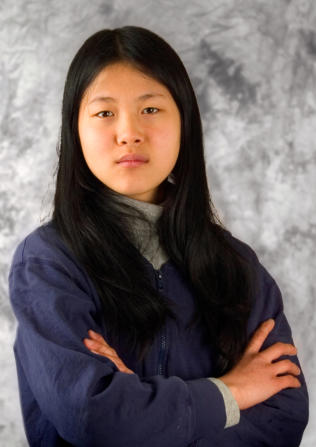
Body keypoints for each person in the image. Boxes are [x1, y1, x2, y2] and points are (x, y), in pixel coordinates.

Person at [8, 26, 308, 447]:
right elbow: (93, 417)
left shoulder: (237, 266)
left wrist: (141, 411)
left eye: (150, 109)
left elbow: (283, 419)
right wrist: (232, 392)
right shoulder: (49, 263)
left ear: (185, 121)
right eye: (104, 113)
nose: (129, 132)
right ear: (75, 128)